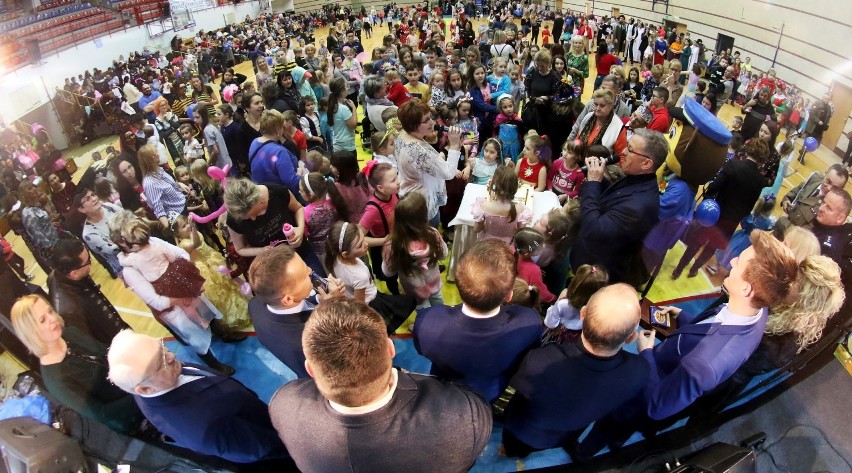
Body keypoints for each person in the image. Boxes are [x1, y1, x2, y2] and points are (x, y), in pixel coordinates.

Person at [579, 231, 798, 456]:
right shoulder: (757, 311)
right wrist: (684, 317)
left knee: (614, 420)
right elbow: (715, 326)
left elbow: (658, 405)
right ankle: (615, 441)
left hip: (647, 389)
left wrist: (646, 353)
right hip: (669, 366)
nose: (731, 261)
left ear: (746, 289)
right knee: (621, 428)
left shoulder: (704, 365)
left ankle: (584, 452)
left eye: (738, 262)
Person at [268, 297, 492, 473]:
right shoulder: (462, 417)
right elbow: (479, 408)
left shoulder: (284, 404)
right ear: (390, 349)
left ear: (310, 369)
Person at [502, 283, 649, 457]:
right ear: (632, 337)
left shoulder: (540, 362)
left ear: (583, 314)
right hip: (565, 435)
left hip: (525, 432)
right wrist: (647, 352)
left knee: (514, 449)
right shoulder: (639, 372)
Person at [107, 330, 290, 464]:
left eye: (161, 349)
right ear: (144, 389)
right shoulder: (202, 428)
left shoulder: (160, 380)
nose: (171, 355)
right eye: (160, 362)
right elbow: (259, 448)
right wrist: (293, 445)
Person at [413, 239, 542, 403]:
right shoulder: (529, 324)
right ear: (509, 295)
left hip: (443, 389)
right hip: (488, 394)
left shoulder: (429, 322)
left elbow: (420, 350)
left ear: (458, 287)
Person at [10, 295, 144, 435]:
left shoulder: (70, 333)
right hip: (132, 416)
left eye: (50, 311)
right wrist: (140, 393)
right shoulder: (56, 380)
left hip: (135, 385)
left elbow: (107, 352)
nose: (52, 319)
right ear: (31, 333)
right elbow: (103, 415)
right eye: (43, 320)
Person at [570, 129, 669, 286]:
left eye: (629, 149)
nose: (622, 151)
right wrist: (601, 179)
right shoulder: (638, 180)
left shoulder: (639, 207)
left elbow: (593, 230)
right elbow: (615, 198)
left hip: (595, 275)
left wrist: (593, 183)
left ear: (646, 163)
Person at [672, 139, 769, 279]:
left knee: (697, 241)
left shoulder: (733, 164)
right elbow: (749, 207)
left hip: (714, 213)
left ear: (748, 150)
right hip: (732, 220)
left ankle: (679, 269)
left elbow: (714, 186)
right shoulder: (760, 181)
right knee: (712, 246)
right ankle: (694, 269)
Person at [247, 245, 344, 378]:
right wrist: (336, 305)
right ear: (287, 299)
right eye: (304, 275)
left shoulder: (255, 304)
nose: (310, 271)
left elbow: (300, 301)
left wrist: (318, 299)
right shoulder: (313, 340)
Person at [223, 178, 324, 276]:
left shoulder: (277, 192)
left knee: (321, 281)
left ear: (260, 200)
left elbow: (298, 208)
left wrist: (300, 229)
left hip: (301, 251)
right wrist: (261, 250)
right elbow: (240, 248)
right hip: (276, 266)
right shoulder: (233, 220)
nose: (253, 219)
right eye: (248, 218)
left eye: (255, 213)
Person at [48, 238, 130, 345]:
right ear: (74, 273)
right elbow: (91, 344)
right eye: (88, 261)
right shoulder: (70, 311)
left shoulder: (67, 274)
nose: (90, 264)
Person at [395, 100, 463, 227]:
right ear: (412, 125)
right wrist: (454, 145)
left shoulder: (402, 135)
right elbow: (449, 173)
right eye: (426, 121)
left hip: (410, 196)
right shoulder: (420, 151)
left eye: (430, 118)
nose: (432, 122)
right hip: (422, 204)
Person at [382, 192, 448, 308]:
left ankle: (423, 325)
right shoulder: (433, 234)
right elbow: (444, 254)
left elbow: (388, 272)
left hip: (413, 289)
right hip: (433, 281)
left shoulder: (393, 244)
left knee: (422, 311)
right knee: (438, 302)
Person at [776, 164, 848, 234]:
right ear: (825, 173)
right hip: (782, 225)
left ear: (841, 189)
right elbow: (799, 190)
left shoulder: (829, 207)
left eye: (834, 187)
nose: (828, 188)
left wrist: (782, 220)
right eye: (828, 181)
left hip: (792, 235)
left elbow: (806, 233)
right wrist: (786, 199)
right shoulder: (814, 178)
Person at [248, 109, 302, 200]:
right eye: (282, 127)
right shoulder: (279, 152)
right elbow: (291, 181)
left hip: (263, 194)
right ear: (277, 129)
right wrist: (299, 174)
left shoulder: (254, 142)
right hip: (281, 197)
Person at [77, 187, 124, 277]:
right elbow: (114, 249)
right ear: (81, 209)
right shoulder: (89, 234)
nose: (94, 199)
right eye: (87, 199)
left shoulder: (108, 206)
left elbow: (131, 219)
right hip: (125, 265)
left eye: (93, 195)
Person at [808, 188, 852, 265]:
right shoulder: (820, 224)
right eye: (823, 203)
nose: (821, 208)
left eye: (828, 208)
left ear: (840, 218)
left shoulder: (826, 248)